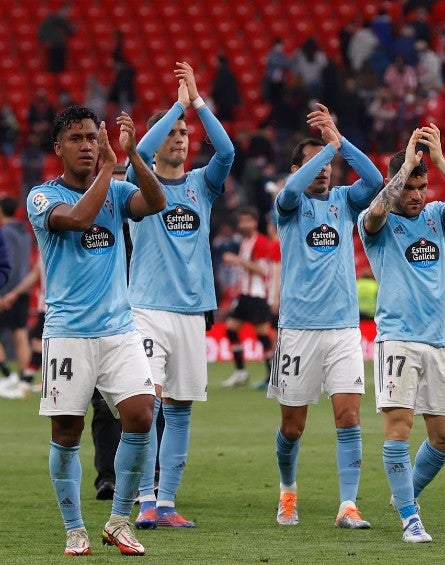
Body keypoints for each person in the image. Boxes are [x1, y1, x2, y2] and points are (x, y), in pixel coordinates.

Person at [28, 105, 167, 556]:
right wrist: (110, 167)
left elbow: (157, 203)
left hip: (119, 331)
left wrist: (132, 158)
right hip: (68, 333)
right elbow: (78, 220)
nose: (86, 145)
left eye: (92, 137)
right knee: (67, 430)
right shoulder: (42, 196)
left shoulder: (117, 186)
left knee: (142, 414)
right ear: (58, 148)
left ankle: (119, 521)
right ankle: (74, 529)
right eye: (77, 139)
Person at [125, 62, 235, 530]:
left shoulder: (201, 187)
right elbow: (137, 152)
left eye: (184, 133)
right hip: (146, 308)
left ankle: (167, 503)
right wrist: (175, 105)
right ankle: (145, 499)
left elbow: (226, 151)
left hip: (192, 311)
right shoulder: (135, 187)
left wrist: (197, 105)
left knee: (181, 407)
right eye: (172, 132)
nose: (180, 138)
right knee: (147, 404)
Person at [358, 124, 445, 543]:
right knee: (399, 427)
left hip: (440, 341)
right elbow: (376, 214)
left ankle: (405, 492)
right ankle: (410, 518)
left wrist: (440, 161)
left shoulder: (434, 217)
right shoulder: (376, 223)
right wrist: (405, 165)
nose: (416, 194)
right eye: (410, 186)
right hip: (397, 338)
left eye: (421, 186)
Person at [268, 104, 384, 528]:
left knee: (349, 417)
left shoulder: (344, 202)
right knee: (293, 427)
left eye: (329, 165)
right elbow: (289, 191)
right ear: (297, 168)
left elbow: (374, 181)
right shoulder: (289, 204)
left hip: (343, 329)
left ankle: (348, 505)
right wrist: (325, 150)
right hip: (297, 330)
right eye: (314, 164)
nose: (324, 171)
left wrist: (340, 141)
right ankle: (287, 491)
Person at [220, 207, 277, 388]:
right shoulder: (245, 242)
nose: (244, 225)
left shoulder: (260, 241)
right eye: (241, 221)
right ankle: (241, 372)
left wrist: (237, 260)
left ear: (254, 222)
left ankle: (271, 377)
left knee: (263, 336)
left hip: (256, 296)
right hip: (244, 295)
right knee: (230, 330)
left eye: (248, 221)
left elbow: (262, 270)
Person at [0, 196, 31, 392]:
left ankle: (7, 375)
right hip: (23, 289)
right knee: (21, 334)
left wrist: (5, 293)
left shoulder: (4, 233)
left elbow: (7, 264)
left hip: (6, 291)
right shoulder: (25, 233)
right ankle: (24, 378)